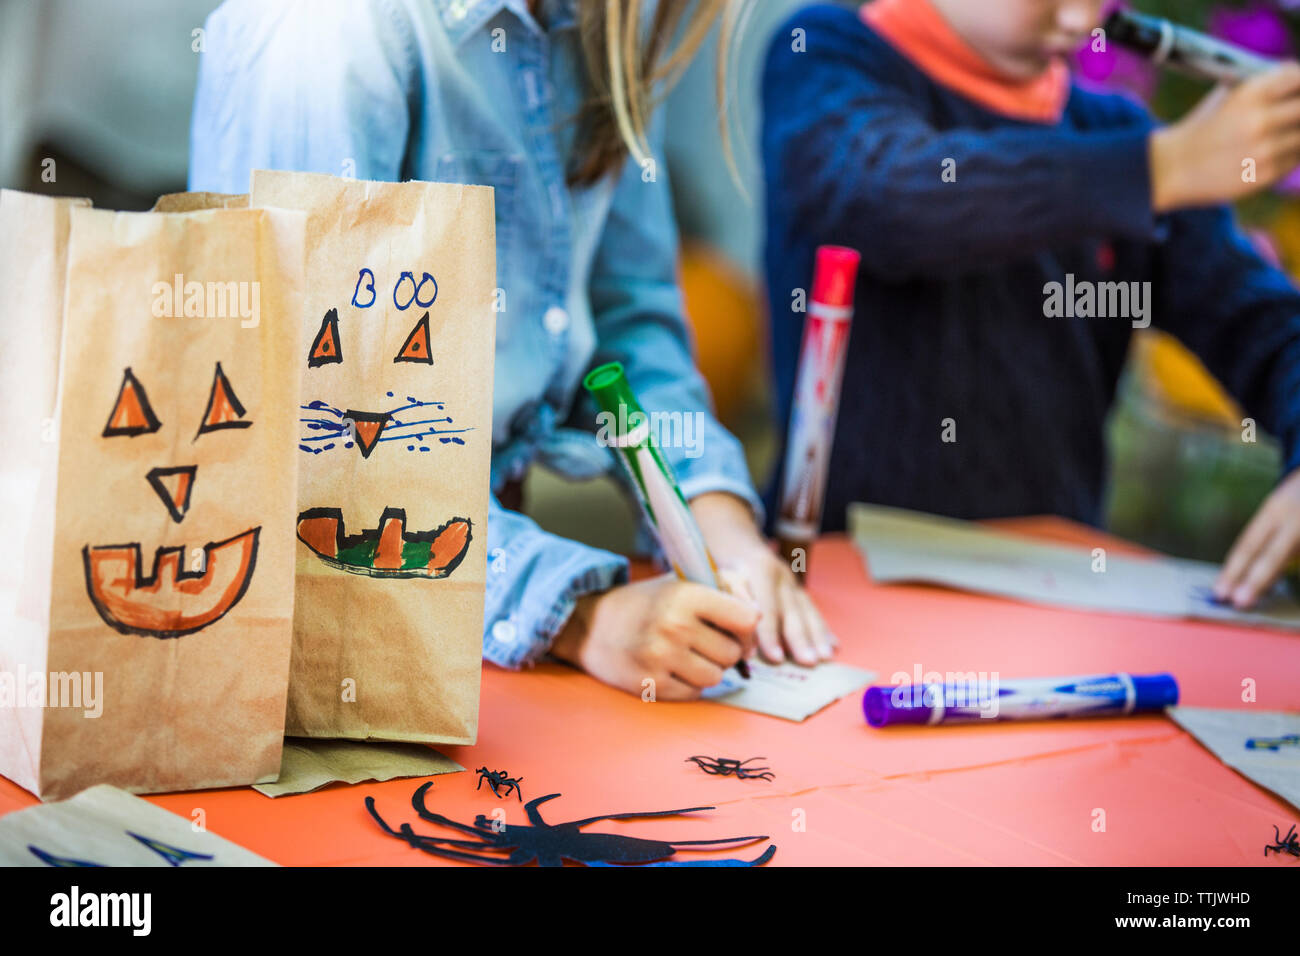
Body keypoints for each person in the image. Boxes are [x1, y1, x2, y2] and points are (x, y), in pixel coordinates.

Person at [190, 0, 835, 700]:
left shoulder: (607, 22)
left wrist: (716, 519)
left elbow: (627, 315)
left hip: (485, 593)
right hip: (344, 613)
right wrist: (582, 617)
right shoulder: (323, 34)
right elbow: (307, 438)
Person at [763, 0, 1300, 609]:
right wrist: (1159, 168)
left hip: (1052, 598)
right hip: (834, 589)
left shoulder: (1113, 133)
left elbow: (1266, 326)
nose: (1081, 22)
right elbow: (883, 194)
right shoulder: (825, 53)